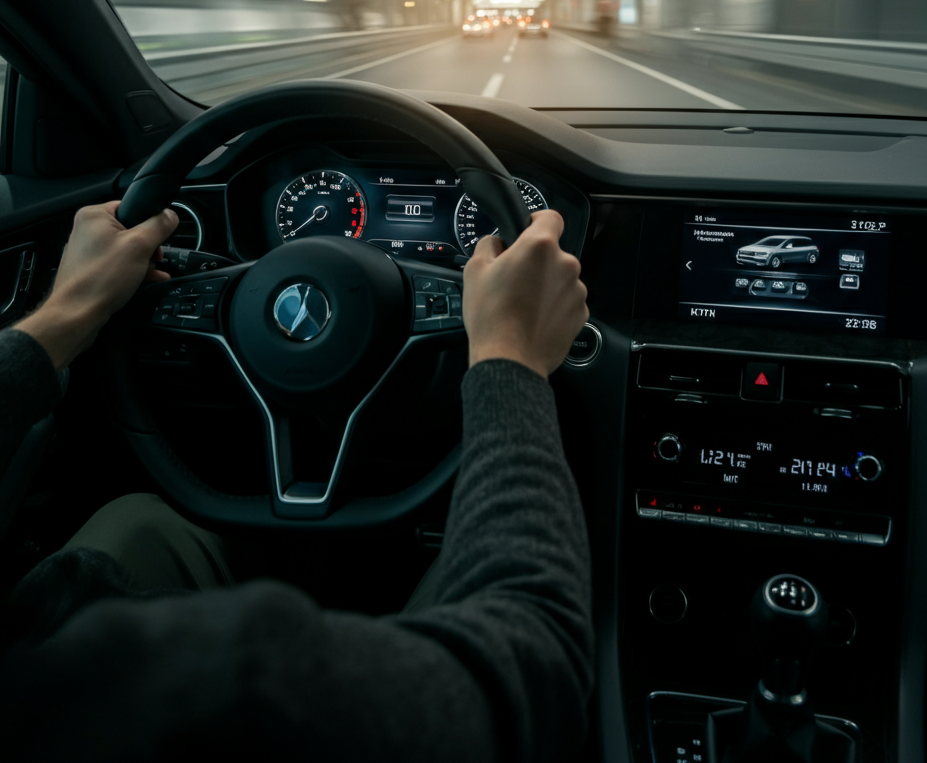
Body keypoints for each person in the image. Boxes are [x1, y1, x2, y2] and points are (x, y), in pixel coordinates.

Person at [0, 199, 593, 762]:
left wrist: (71, 309)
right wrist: (509, 351)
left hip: (47, 624)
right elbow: (531, 669)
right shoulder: (208, 697)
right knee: (470, 565)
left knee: (142, 523)